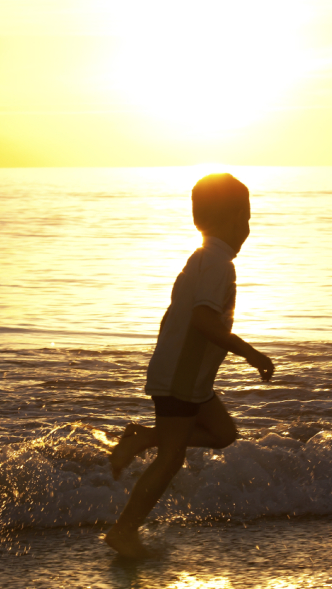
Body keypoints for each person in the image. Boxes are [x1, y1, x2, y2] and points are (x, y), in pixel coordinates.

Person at [104, 173, 274, 557]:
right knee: (171, 458)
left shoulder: (204, 257)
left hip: (189, 376)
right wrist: (251, 353)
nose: (247, 230)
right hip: (181, 375)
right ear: (233, 219)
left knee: (223, 433)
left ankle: (144, 438)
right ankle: (124, 531)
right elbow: (202, 320)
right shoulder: (218, 264)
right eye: (246, 220)